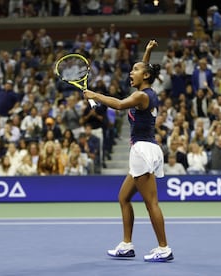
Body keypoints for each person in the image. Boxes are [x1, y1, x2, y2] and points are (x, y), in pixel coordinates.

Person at [84, 40, 174, 262]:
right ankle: (126, 245)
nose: (130, 73)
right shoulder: (146, 90)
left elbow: (118, 104)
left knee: (151, 203)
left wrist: (95, 95)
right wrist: (147, 52)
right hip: (145, 149)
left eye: (135, 70)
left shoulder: (141, 96)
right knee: (123, 197)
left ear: (145, 77)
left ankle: (164, 248)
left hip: (143, 150)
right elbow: (145, 68)